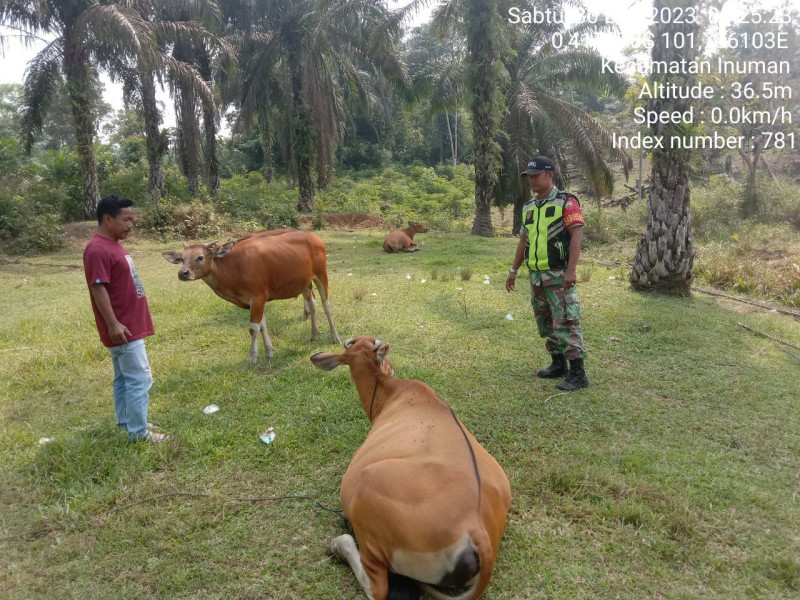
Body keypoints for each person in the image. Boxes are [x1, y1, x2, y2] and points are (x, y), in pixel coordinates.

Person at [83, 194, 169, 441]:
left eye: (132, 219)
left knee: (123, 379)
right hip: (123, 327)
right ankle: (139, 433)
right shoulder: (97, 249)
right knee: (140, 378)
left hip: (129, 324)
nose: (131, 224)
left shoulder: (113, 244)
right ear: (107, 219)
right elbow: (98, 288)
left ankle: (127, 423)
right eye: (126, 219)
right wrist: (113, 323)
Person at [505, 156, 589, 391]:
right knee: (547, 322)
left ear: (550, 175)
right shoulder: (529, 207)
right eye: (529, 176)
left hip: (558, 274)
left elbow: (576, 236)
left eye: (536, 175)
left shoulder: (566, 202)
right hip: (536, 276)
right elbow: (524, 240)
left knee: (566, 321)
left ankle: (578, 374)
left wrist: (571, 271)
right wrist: (514, 270)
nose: (531, 180)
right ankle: (558, 364)